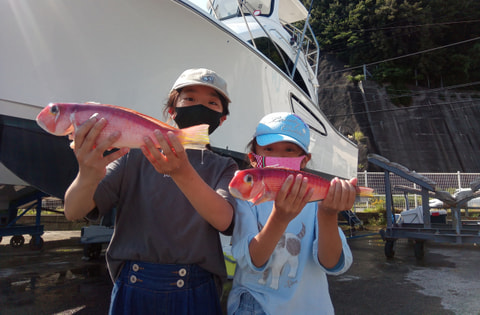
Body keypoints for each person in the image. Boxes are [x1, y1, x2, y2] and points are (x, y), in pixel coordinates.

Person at [64, 68, 237, 314]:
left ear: (222, 119)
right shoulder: (131, 156)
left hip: (198, 286)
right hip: (133, 284)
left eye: (212, 102)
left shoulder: (224, 166)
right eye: (189, 99)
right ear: (172, 111)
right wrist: (87, 173)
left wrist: (181, 172)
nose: (200, 106)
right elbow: (73, 210)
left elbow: (225, 220)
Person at [227, 112, 357, 315]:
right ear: (254, 159)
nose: (278, 158)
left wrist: (328, 214)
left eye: (289, 150)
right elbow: (251, 262)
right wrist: (279, 218)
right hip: (258, 306)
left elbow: (332, 263)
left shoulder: (316, 199)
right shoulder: (245, 200)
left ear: (304, 161)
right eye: (269, 149)